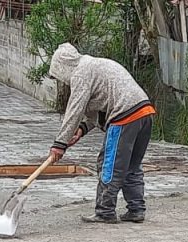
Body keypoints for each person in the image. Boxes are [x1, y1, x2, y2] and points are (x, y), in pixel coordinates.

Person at [47, 43, 156, 224]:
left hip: (124, 116)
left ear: (62, 67)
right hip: (144, 112)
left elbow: (75, 109)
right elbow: (98, 108)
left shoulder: (81, 73)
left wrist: (60, 143)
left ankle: (105, 211)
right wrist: (81, 130)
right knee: (131, 166)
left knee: (109, 164)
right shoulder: (95, 65)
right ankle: (136, 209)